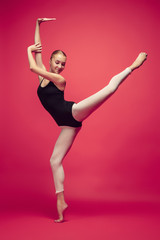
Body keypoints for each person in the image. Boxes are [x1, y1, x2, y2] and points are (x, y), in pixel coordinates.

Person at [27, 18, 147, 223]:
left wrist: (27, 50)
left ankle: (134, 65)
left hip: (73, 113)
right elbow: (38, 52)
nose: (60, 67)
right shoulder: (44, 77)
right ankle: (61, 200)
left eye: (63, 64)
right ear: (50, 61)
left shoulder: (59, 80)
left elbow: (32, 65)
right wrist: (38, 25)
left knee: (109, 89)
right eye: (57, 62)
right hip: (66, 125)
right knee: (54, 161)